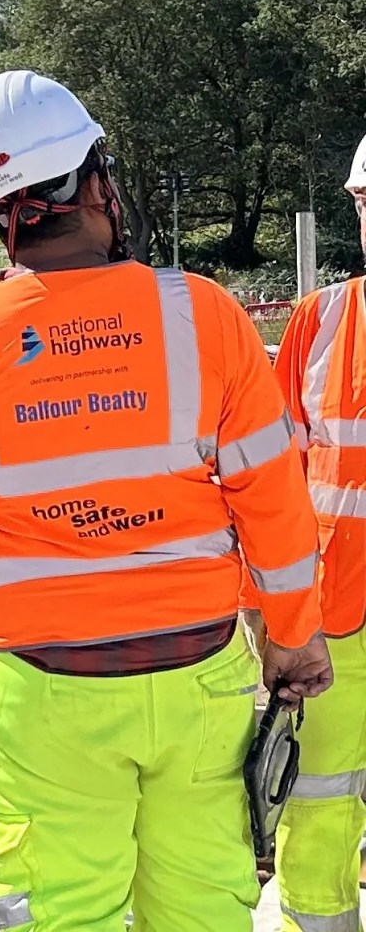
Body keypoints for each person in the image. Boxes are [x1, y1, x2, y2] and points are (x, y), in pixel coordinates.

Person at [0, 68, 334, 931]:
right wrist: (295, 640)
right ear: (93, 184)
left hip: (43, 701)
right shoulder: (207, 316)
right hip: (198, 683)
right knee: (202, 913)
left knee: (61, 917)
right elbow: (275, 507)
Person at [240, 132, 366, 932]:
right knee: (317, 810)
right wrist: (267, 616)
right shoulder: (320, 324)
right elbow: (266, 490)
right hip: (330, 629)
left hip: (329, 619)